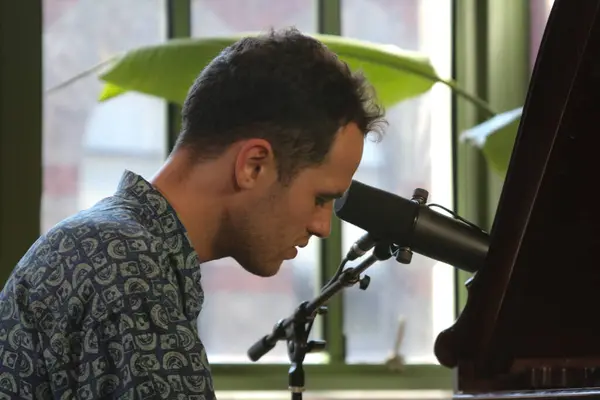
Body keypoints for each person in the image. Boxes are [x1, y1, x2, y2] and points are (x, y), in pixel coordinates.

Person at [0, 27, 385, 399]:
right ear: (254, 165)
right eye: (320, 198)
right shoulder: (128, 271)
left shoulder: (111, 246)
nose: (323, 228)